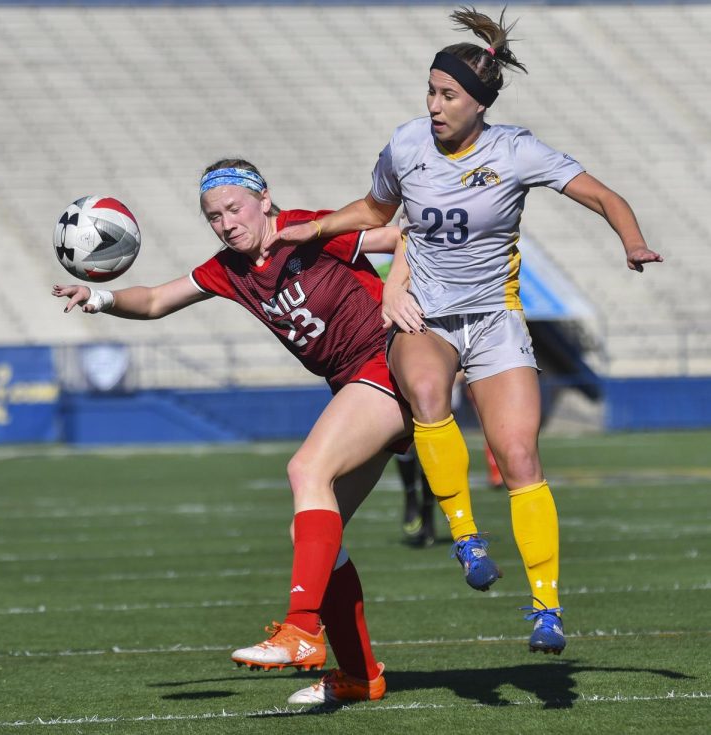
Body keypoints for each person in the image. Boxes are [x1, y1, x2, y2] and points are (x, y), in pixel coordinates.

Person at [272, 6, 662, 655]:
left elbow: (603, 195)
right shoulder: (405, 145)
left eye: (447, 94)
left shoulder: (517, 152)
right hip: (422, 313)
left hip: (494, 319)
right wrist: (316, 227)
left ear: (480, 104)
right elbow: (376, 207)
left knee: (520, 458)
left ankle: (546, 606)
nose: (433, 104)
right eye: (430, 89)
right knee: (427, 393)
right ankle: (465, 535)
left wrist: (633, 240)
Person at [54, 158, 422, 705]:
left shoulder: (308, 229)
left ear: (264, 200)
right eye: (213, 216)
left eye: (233, 208)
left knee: (306, 470)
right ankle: (361, 675)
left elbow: (407, 235)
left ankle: (301, 628)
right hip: (353, 382)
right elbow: (155, 300)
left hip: (390, 360)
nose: (225, 223)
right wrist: (102, 298)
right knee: (316, 534)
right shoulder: (230, 267)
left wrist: (395, 290)